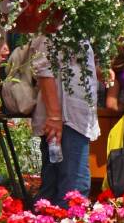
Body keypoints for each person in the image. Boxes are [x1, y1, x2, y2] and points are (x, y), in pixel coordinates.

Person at [33, 35, 98, 203]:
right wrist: (54, 116)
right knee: (74, 190)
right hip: (67, 120)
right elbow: (44, 69)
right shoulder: (54, 25)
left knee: (55, 189)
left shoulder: (71, 24)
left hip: (73, 118)